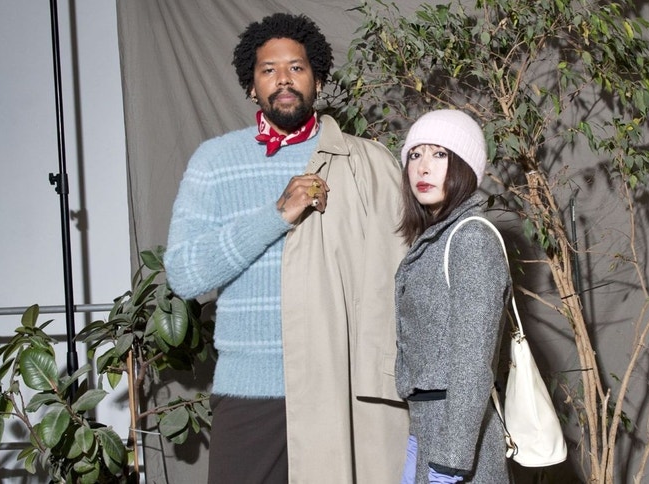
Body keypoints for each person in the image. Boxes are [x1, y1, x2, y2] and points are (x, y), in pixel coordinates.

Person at [164, 13, 409, 483]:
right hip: (251, 390)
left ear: (318, 79)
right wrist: (276, 215)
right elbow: (185, 274)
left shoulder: (363, 161)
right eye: (269, 70)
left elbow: (397, 273)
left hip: (340, 386)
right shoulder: (215, 161)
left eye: (296, 68)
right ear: (251, 86)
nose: (283, 80)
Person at [393, 109, 511, 483]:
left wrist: (448, 463)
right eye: (415, 154)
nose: (423, 167)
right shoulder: (436, 238)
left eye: (440, 154)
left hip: (458, 444)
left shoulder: (471, 238)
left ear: (464, 167)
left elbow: (472, 362)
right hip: (431, 430)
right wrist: (417, 442)